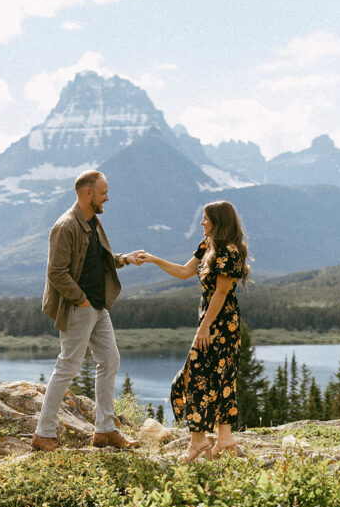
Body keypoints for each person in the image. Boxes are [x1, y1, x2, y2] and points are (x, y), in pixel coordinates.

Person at [31, 170, 145, 452]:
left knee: (109, 361)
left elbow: (98, 259)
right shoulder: (65, 226)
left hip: (98, 306)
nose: (107, 197)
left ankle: (105, 430)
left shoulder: (93, 222)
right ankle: (43, 433)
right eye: (103, 192)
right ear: (87, 193)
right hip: (78, 306)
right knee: (68, 366)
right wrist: (81, 300)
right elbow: (56, 273)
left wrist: (124, 259)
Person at [141, 200, 250, 461]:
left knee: (196, 377)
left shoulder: (230, 251)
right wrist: (154, 259)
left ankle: (198, 441)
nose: (202, 223)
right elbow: (183, 271)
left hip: (220, 325)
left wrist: (204, 328)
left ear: (218, 221)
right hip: (212, 323)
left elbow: (222, 292)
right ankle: (224, 439)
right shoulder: (209, 246)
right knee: (218, 379)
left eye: (206, 219)